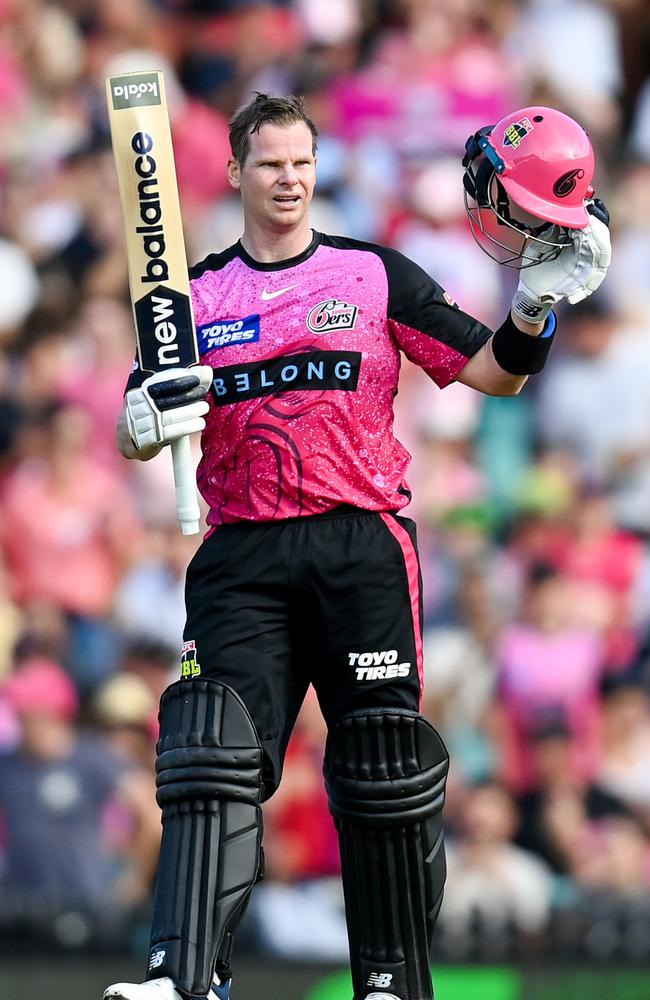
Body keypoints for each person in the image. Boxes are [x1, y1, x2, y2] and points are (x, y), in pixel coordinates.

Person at [104, 95, 611, 1000]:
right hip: (242, 552)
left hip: (360, 543)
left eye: (301, 162)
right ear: (234, 173)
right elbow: (149, 420)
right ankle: (181, 977)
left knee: (382, 762)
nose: (288, 178)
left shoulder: (373, 275)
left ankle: (389, 983)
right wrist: (140, 421)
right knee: (209, 754)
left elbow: (492, 371)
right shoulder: (189, 299)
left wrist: (534, 306)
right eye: (269, 164)